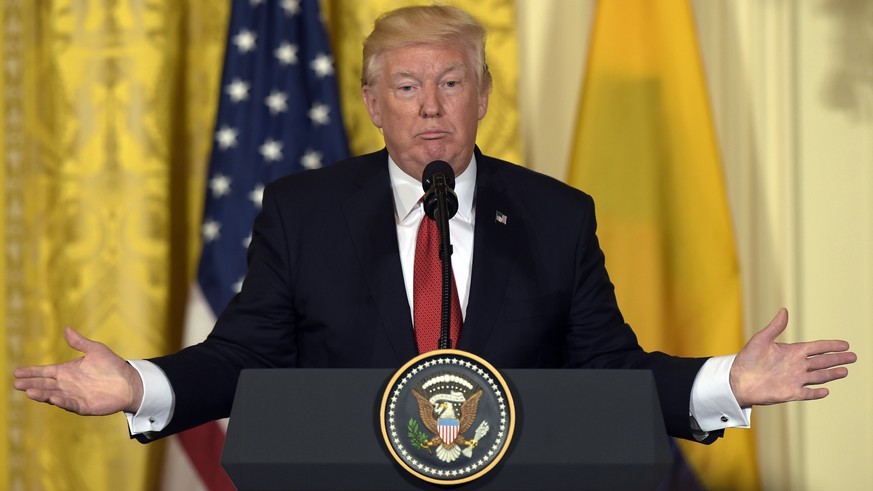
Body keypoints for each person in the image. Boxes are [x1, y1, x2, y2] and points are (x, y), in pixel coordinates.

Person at [13, 5, 855, 446]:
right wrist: (143, 387)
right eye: (407, 87)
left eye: (451, 85)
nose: (430, 109)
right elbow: (243, 359)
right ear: (372, 102)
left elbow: (606, 372)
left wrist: (724, 385)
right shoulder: (303, 212)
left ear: (482, 97)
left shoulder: (555, 216)